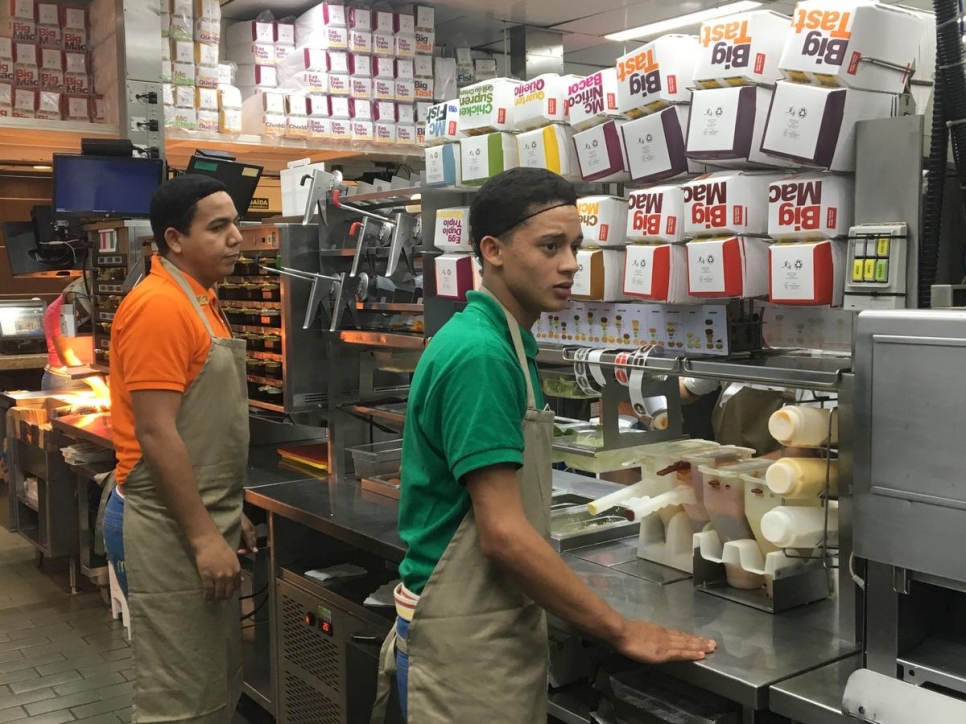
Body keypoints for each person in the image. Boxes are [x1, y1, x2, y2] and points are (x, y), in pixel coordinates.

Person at [371, 168, 715, 723]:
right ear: (494, 250)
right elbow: (503, 535)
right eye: (550, 246)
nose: (571, 264)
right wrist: (621, 629)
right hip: (462, 641)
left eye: (575, 247)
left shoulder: (509, 340)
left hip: (492, 624)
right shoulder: (480, 354)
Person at [103, 174, 256, 724]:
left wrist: (223, 511)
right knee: (181, 699)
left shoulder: (201, 301)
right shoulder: (160, 307)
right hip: (165, 528)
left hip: (195, 516)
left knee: (210, 685)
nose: (236, 237)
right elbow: (157, 433)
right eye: (218, 227)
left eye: (235, 222)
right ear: (174, 239)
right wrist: (202, 535)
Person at [41, 272, 93, 392]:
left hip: (91, 373)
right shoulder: (56, 310)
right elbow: (69, 358)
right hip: (67, 380)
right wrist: (99, 385)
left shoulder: (89, 306)